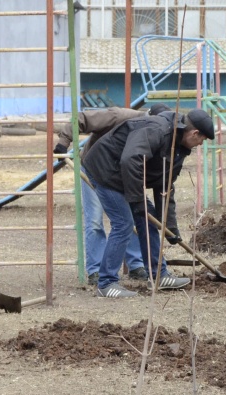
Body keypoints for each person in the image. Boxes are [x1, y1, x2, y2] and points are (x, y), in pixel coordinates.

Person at [81, 107, 215, 298]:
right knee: (123, 223)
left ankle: (159, 275)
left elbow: (165, 186)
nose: (201, 144)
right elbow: (130, 160)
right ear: (194, 133)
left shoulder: (178, 147)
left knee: (149, 218)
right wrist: (136, 201)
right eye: (202, 139)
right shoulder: (157, 129)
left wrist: (171, 228)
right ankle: (107, 283)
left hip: (123, 176)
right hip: (105, 170)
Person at [55, 104, 171, 288]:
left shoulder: (160, 132)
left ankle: (136, 265)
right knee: (95, 219)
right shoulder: (119, 116)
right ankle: (96, 269)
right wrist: (63, 142)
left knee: (133, 217)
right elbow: (82, 118)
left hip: (121, 174)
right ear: (148, 117)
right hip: (95, 168)